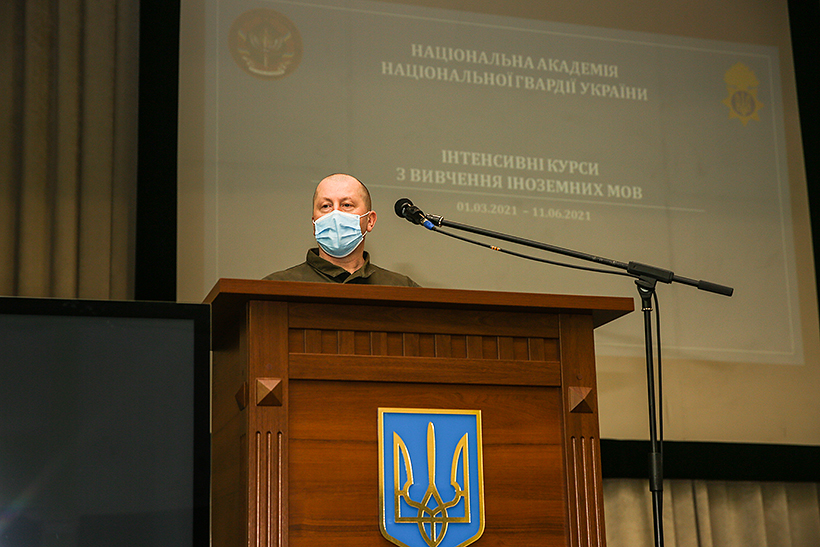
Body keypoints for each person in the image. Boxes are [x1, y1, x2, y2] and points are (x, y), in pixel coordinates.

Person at [264, 173, 420, 286]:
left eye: (346, 205)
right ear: (314, 223)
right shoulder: (277, 286)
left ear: (370, 221)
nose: (335, 214)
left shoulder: (401, 287)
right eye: (326, 206)